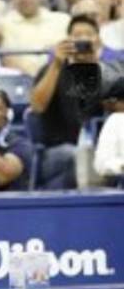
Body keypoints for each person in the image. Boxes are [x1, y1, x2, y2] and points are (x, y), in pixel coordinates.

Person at [29, 14, 107, 189]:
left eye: (89, 35)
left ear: (98, 41)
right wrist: (57, 63)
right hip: (55, 150)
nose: (83, 40)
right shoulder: (51, 70)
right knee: (77, 156)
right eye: (77, 35)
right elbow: (37, 106)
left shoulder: (105, 72)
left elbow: (116, 107)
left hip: (97, 149)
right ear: (67, 40)